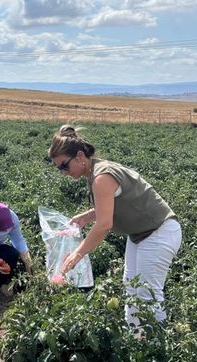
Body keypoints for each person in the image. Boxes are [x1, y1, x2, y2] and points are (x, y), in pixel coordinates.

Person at [49, 124, 181, 328]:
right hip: (140, 234)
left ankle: (156, 349)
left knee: (147, 294)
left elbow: (104, 224)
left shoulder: (101, 177)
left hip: (159, 232)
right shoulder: (96, 172)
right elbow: (108, 207)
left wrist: (77, 254)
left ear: (80, 156)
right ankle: (136, 338)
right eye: (59, 168)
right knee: (132, 288)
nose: (62, 172)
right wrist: (85, 217)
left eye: (64, 165)